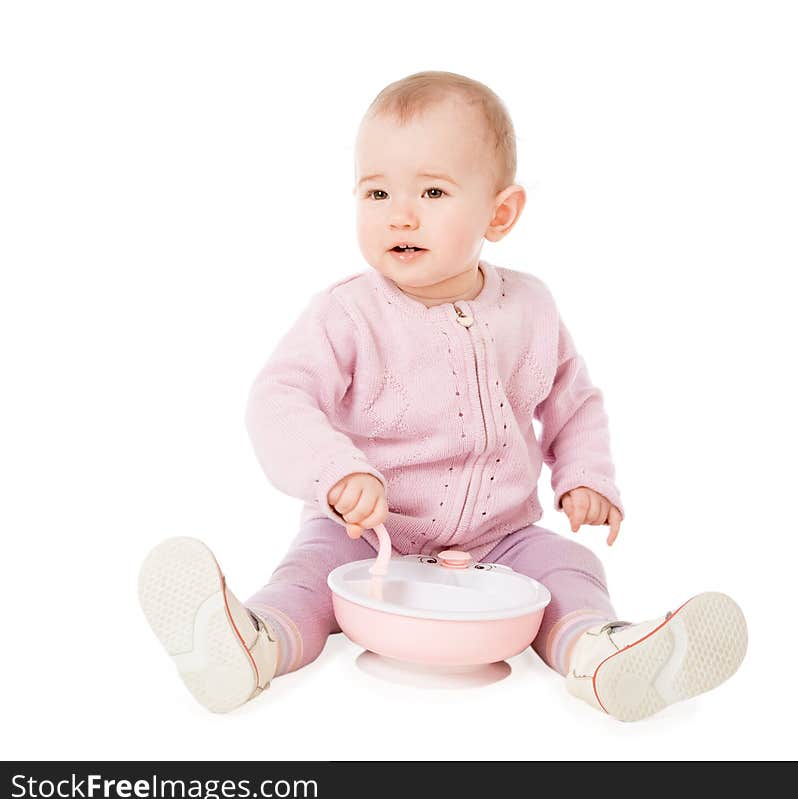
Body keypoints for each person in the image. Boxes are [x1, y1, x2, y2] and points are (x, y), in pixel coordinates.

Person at [138, 71, 747, 721]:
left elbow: (573, 397)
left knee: (570, 567)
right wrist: (335, 471)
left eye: (431, 190)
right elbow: (278, 397)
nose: (400, 213)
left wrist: (585, 474)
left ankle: (599, 652)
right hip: (364, 533)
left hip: (500, 538)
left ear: (500, 212)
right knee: (308, 579)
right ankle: (253, 643)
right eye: (377, 191)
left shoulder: (530, 308)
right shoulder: (349, 314)